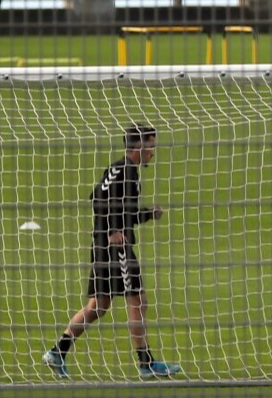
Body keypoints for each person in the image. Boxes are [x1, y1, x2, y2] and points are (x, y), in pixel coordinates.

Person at [42, 125, 181, 379]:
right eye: (150, 145)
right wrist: (113, 230)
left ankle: (57, 351)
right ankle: (146, 363)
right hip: (115, 249)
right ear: (138, 146)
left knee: (99, 305)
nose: (153, 151)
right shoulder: (126, 171)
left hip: (103, 247)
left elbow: (102, 199)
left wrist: (149, 213)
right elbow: (100, 201)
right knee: (137, 300)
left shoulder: (120, 170)